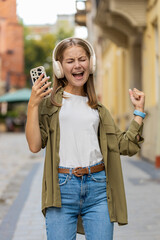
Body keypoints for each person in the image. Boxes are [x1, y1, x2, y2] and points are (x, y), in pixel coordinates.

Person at [25, 37, 145, 240]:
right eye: (70, 61)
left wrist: (139, 113)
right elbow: (35, 145)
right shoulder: (49, 105)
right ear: (59, 67)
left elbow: (125, 145)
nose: (77, 65)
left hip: (98, 187)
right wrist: (32, 105)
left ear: (91, 63)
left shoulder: (98, 110)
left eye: (82, 59)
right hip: (62, 189)